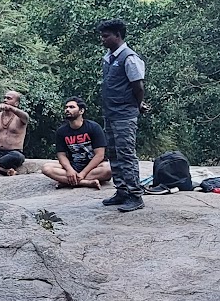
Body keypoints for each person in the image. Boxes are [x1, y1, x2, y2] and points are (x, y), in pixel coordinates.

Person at [97, 19, 147, 212]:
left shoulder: (130, 58)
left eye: (106, 36)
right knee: (114, 153)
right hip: (110, 112)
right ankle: (122, 191)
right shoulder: (109, 57)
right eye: (102, 36)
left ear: (117, 35)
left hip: (125, 114)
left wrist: (137, 104)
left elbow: (138, 85)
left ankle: (135, 195)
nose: (103, 40)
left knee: (126, 154)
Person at [41, 97, 112, 188]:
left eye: (71, 107)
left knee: (109, 169)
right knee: (46, 168)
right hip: (74, 165)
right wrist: (69, 170)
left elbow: (100, 155)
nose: (67, 110)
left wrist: (83, 173)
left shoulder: (94, 127)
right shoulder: (61, 131)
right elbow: (61, 155)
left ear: (81, 111)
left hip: (94, 167)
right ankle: (86, 183)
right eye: (66, 107)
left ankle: (67, 181)